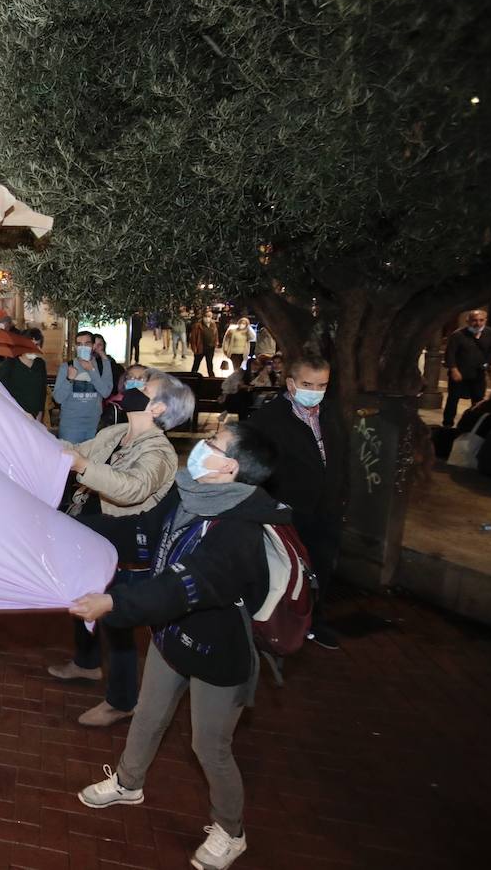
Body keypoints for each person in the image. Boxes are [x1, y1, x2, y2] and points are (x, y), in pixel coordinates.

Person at [73, 424, 284, 870]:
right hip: (172, 634)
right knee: (148, 715)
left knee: (210, 746)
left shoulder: (239, 531)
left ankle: (231, 830)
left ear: (230, 467)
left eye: (213, 443)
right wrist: (73, 528)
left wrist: (113, 603)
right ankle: (129, 783)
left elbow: (182, 586)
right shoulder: (190, 495)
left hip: (219, 652)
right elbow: (142, 530)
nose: (202, 446)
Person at [51, 371, 192, 729]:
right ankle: (86, 663)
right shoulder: (115, 433)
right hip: (96, 533)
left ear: (157, 406)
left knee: (117, 620)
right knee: (81, 597)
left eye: (143, 388)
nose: (132, 390)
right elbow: (76, 451)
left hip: (125, 546)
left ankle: (122, 700)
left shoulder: (159, 452)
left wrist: (83, 467)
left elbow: (131, 489)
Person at [247, 356, 342, 649]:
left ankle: (316, 621)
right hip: (287, 511)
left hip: (326, 509)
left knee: (322, 566)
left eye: (322, 385)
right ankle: (277, 624)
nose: (315, 391)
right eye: (307, 384)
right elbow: (255, 467)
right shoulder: (269, 419)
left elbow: (341, 459)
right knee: (285, 570)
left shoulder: (331, 413)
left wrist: (343, 498)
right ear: (291, 383)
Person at [55, 331, 115, 443]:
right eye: (79, 344)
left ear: (93, 346)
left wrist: (91, 371)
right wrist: (69, 379)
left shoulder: (102, 366)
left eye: (87, 344)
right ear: (75, 347)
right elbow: (58, 398)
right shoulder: (66, 367)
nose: (83, 347)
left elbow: (105, 392)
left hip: (93, 426)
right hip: (70, 426)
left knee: (90, 459)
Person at [443, 309, 491, 428]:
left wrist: (489, 365)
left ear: (485, 321)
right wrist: (453, 369)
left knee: (478, 401)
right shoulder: (458, 335)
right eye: (474, 320)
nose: (478, 323)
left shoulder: (489, 333)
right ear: (468, 321)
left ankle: (473, 424)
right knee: (453, 399)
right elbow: (450, 354)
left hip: (478, 373)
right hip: (459, 373)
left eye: (481, 320)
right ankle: (447, 424)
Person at [0, 328, 48, 421]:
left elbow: (42, 392)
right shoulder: (9, 364)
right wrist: (21, 412)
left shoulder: (40, 364)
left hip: (35, 418)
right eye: (30, 345)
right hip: (14, 416)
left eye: (37, 345)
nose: (33, 348)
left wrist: (39, 415)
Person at [190, 310, 218, 377]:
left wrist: (215, 343)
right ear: (203, 317)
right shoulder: (197, 326)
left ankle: (211, 378)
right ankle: (192, 377)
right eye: (206, 316)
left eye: (209, 316)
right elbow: (193, 338)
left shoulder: (213, 325)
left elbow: (216, 334)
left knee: (210, 364)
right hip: (200, 348)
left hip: (210, 348)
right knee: (196, 364)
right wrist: (194, 348)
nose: (207, 318)